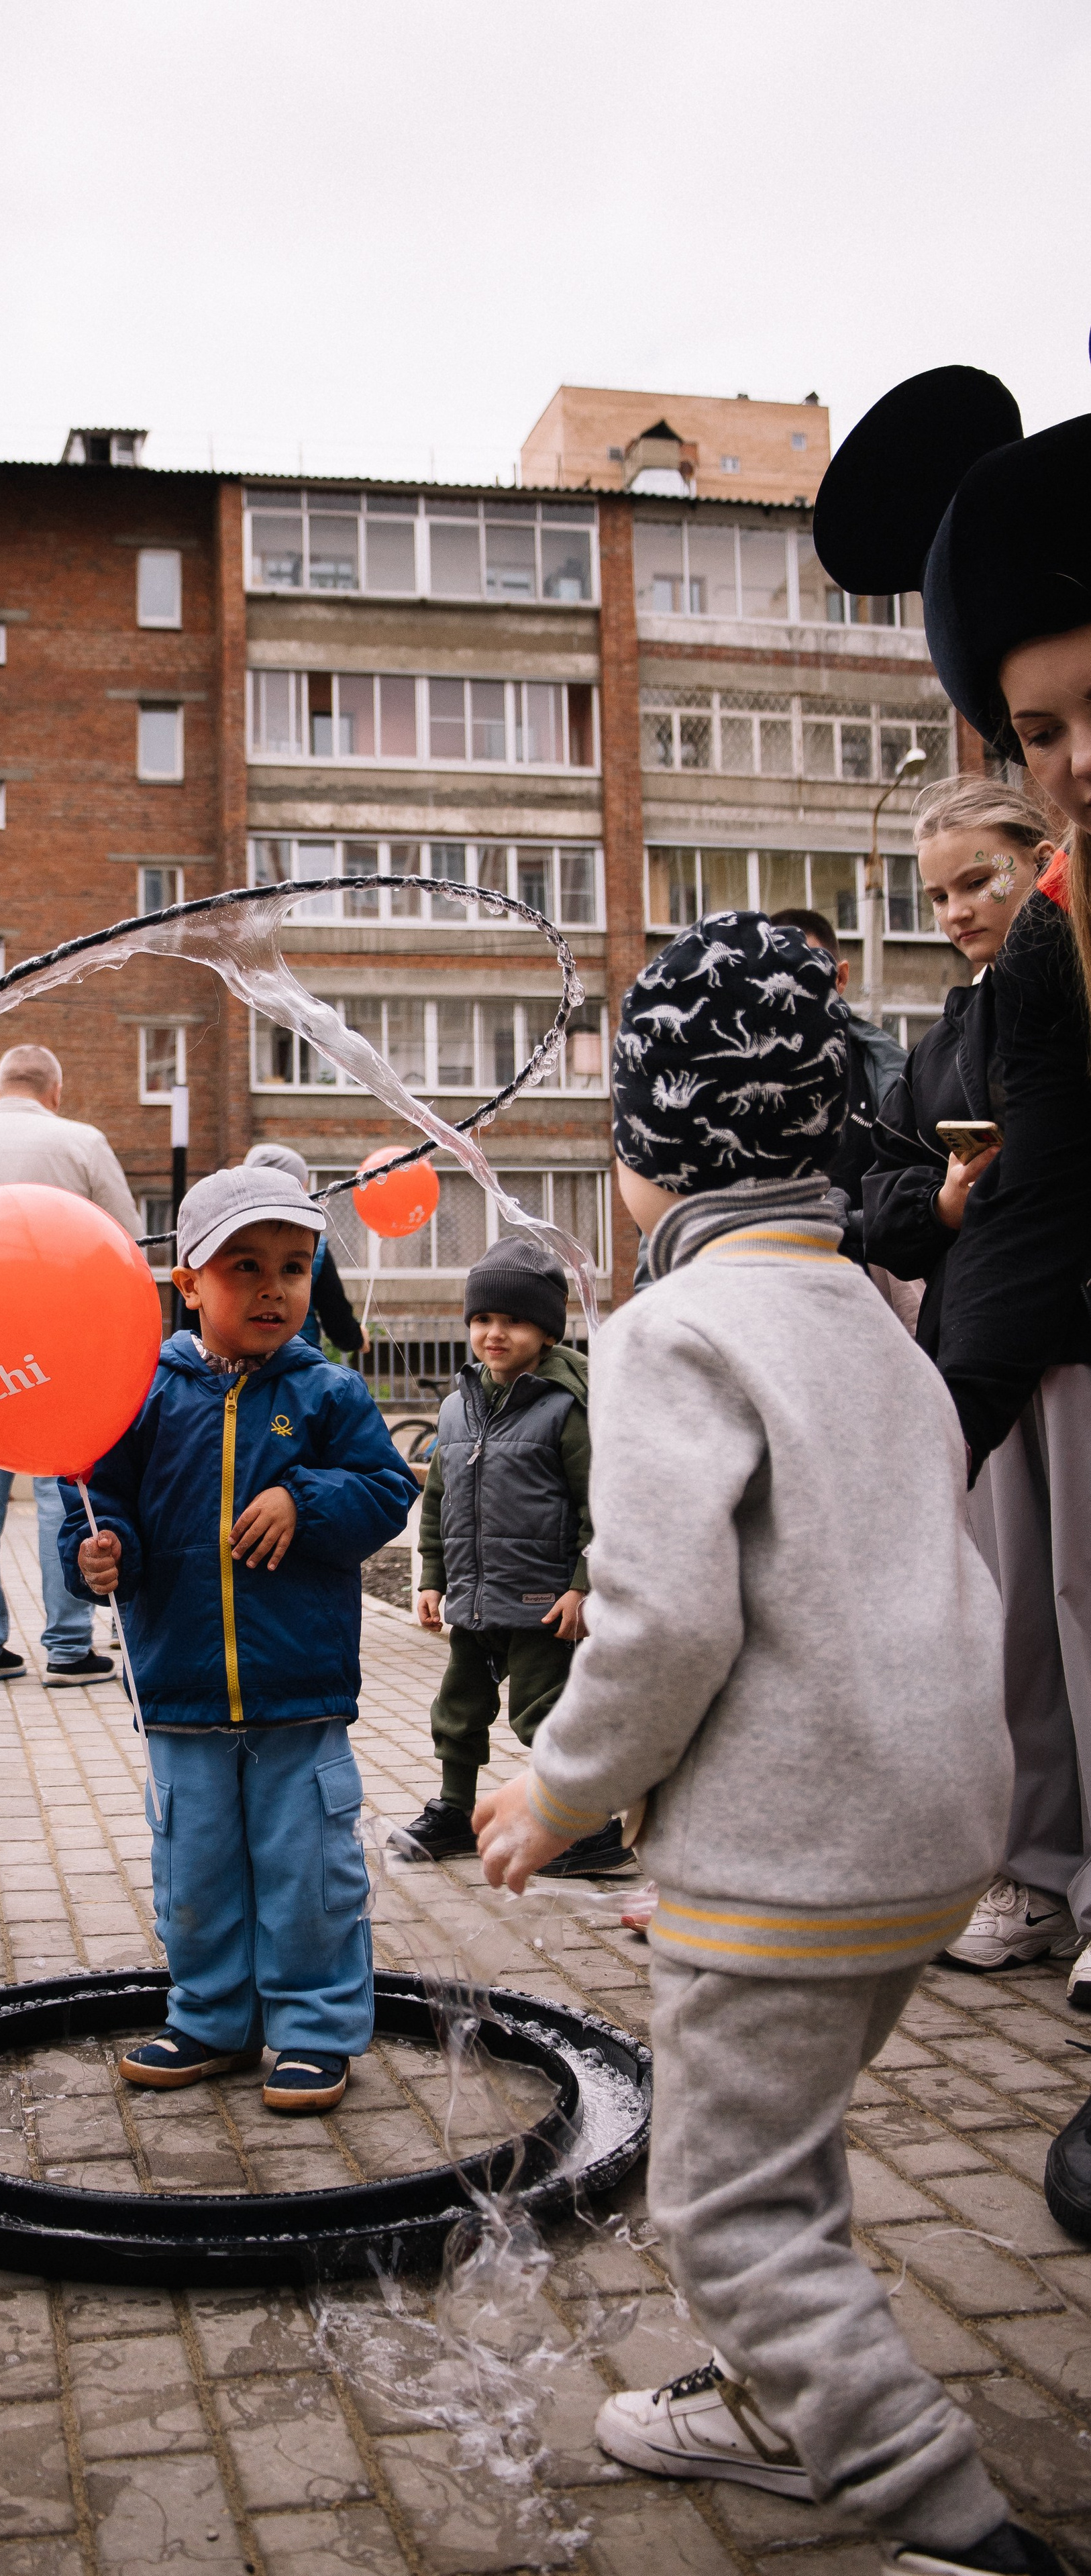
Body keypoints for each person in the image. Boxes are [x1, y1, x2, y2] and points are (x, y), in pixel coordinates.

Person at [476, 911, 1034, 2573]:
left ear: (653, 1151)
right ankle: (774, 2402)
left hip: (793, 1843)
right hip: (935, 1829)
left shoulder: (669, 1331)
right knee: (779, 2150)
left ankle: (935, 2507)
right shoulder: (875, 1315)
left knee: (724, 2204)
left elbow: (665, 1621)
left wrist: (560, 1788)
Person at [817, 366, 1091, 2255]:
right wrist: (919, 1441)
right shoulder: (1062, 953)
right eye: (1040, 726)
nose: (1077, 760)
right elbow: (996, 1203)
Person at [60, 1165, 415, 2114]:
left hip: (298, 1691)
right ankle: (212, 2016)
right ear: (188, 1283)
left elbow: (387, 1490)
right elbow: (96, 1500)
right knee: (196, 1870)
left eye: (295, 1268)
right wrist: (99, 1553)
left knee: (309, 1870)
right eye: (244, 1266)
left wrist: (303, 1500)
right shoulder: (141, 1393)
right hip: (179, 1689)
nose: (273, 1288)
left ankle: (312, 2026)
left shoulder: (328, 1390)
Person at [395, 1244, 630, 1877]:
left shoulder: (567, 1408)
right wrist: (432, 1578)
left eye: (514, 1322)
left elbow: (600, 1507)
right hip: (474, 1594)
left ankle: (588, 1823)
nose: (494, 1334)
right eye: (482, 1320)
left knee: (543, 1712)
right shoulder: (456, 1407)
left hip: (543, 1598)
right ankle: (454, 1809)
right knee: (458, 1709)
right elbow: (440, 1499)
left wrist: (583, 1587)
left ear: (547, 1331)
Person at [0, 1042, 139, 1684]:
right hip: (59, 1342)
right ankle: (69, 1646)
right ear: (54, 1092)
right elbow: (123, 1239)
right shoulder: (82, 1142)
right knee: (60, 1492)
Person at [862, 781, 1050, 1366]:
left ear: (1043, 865)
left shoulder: (1072, 1011)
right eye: (938, 897)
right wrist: (943, 1204)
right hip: (977, 1344)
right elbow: (883, 1203)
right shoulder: (936, 1052)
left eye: (978, 882)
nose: (957, 912)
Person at [766, 907, 906, 1267]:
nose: (793, 992)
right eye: (776, 977)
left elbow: (915, 1194)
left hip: (870, 1292)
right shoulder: (735, 1080)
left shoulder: (893, 1077)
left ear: (840, 978)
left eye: (808, 974)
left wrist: (853, 1222)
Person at [241, 1143, 366, 1355]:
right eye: (303, 1186)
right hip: (298, 1369)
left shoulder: (223, 1243)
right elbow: (336, 1318)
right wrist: (357, 1339)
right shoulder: (314, 1249)